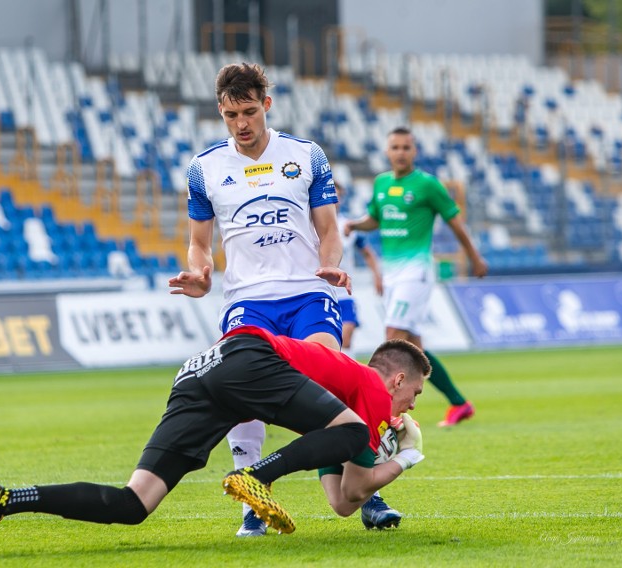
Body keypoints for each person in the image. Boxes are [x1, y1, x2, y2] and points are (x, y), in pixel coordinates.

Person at [0, 325, 430, 556]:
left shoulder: (345, 406)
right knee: (348, 432)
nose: (411, 405)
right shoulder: (368, 386)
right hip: (249, 354)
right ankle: (253, 477)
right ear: (396, 379)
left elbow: (342, 502)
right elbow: (356, 488)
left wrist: (377, 452)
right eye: (415, 393)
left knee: (135, 502)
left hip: (200, 372)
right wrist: (408, 455)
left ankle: (2, 499)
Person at [168, 62, 350, 536]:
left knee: (330, 385)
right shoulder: (204, 168)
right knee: (241, 395)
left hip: (307, 291)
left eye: (249, 111)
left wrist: (330, 265)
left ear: (266, 105)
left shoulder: (306, 156)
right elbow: (199, 243)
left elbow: (328, 230)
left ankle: (364, 488)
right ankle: (252, 500)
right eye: (230, 115)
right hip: (246, 299)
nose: (241, 124)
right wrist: (200, 272)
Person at [346, 126, 488, 429]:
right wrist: (355, 225)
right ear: (387, 151)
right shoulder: (381, 183)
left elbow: (456, 223)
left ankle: (383, 414)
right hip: (393, 273)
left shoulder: (427, 185)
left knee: (391, 341)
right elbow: (375, 218)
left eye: (406, 147)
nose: (400, 152)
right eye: (395, 147)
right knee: (415, 350)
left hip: (417, 272)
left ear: (415, 151)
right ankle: (459, 403)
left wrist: (475, 258)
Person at [334, 181, 383, 353]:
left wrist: (377, 276)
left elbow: (368, 253)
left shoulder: (349, 225)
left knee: (345, 340)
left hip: (345, 294)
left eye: (338, 196)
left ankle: (346, 378)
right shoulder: (310, 224)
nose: (335, 199)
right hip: (320, 293)